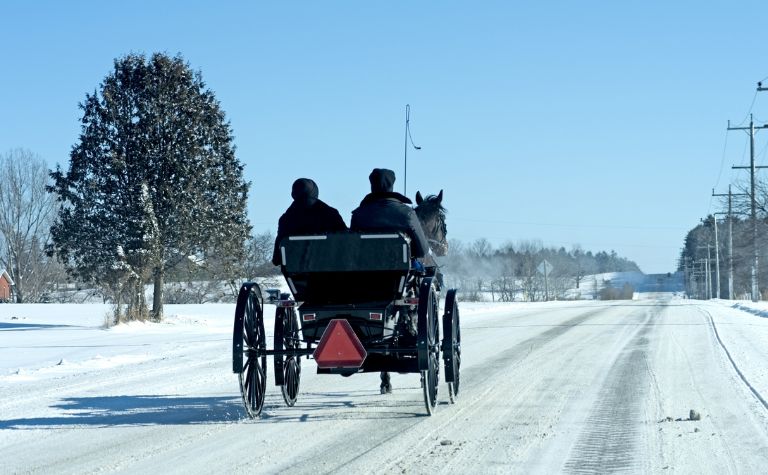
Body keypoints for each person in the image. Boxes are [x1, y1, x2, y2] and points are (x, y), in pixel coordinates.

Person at [351, 168, 430, 395]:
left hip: (364, 282)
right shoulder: (405, 213)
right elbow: (423, 249)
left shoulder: (359, 214)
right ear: (392, 185)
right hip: (397, 282)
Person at [350, 168, 430, 258]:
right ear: (391, 185)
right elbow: (423, 251)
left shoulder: (357, 215)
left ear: (372, 186)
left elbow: (352, 249)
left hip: (365, 269)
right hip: (401, 270)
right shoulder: (408, 213)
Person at [272, 178, 347, 266]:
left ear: (293, 194)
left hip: (297, 274)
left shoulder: (286, 219)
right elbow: (345, 242)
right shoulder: (331, 214)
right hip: (330, 269)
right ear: (315, 192)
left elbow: (277, 257)